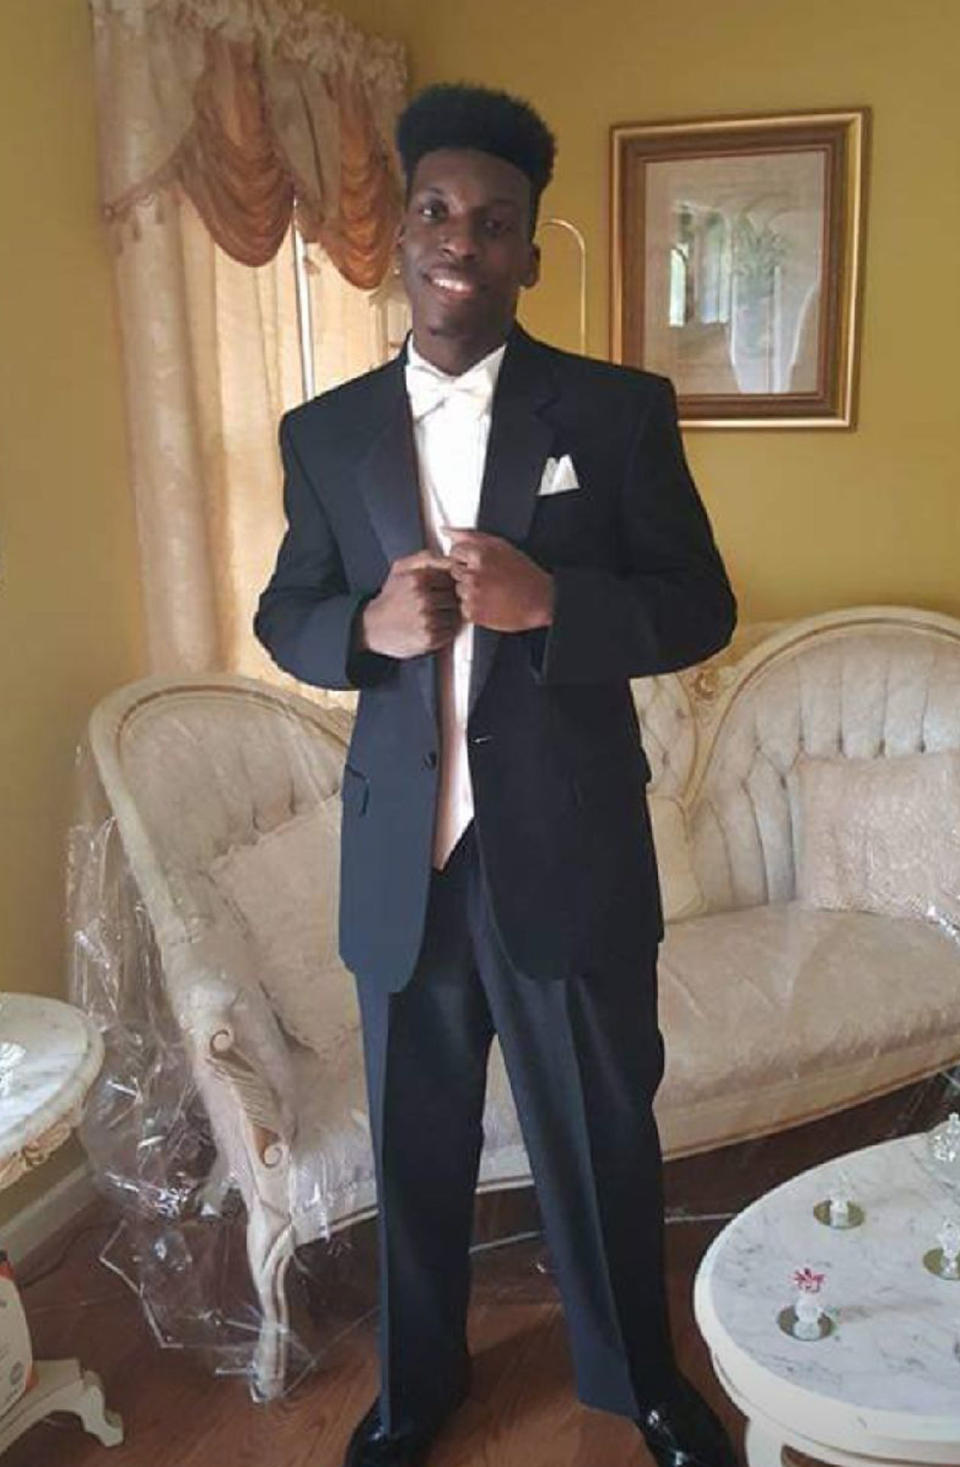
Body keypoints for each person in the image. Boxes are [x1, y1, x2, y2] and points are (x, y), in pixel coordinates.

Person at [256, 83, 738, 1467]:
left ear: (531, 251)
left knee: (600, 1136)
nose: (461, 237)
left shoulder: (620, 409)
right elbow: (284, 611)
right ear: (401, 232)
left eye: (496, 219)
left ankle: (638, 1382)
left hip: (569, 849)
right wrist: (360, 630)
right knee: (416, 1148)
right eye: (436, 208)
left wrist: (556, 606)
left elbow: (701, 603)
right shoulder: (326, 434)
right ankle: (417, 1394)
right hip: (402, 862)